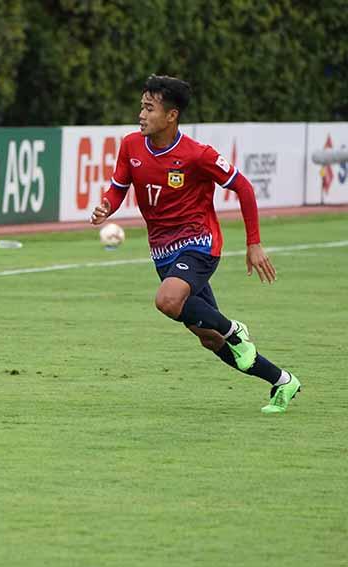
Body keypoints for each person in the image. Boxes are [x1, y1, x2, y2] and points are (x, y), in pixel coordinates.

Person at [90, 74, 301, 414]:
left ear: (171, 116)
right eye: (141, 107)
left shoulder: (197, 155)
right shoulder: (131, 145)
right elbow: (118, 188)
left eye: (149, 108)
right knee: (209, 337)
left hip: (199, 244)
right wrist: (106, 205)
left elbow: (244, 188)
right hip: (162, 253)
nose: (141, 114)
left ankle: (235, 329)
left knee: (168, 300)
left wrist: (254, 243)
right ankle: (282, 381)